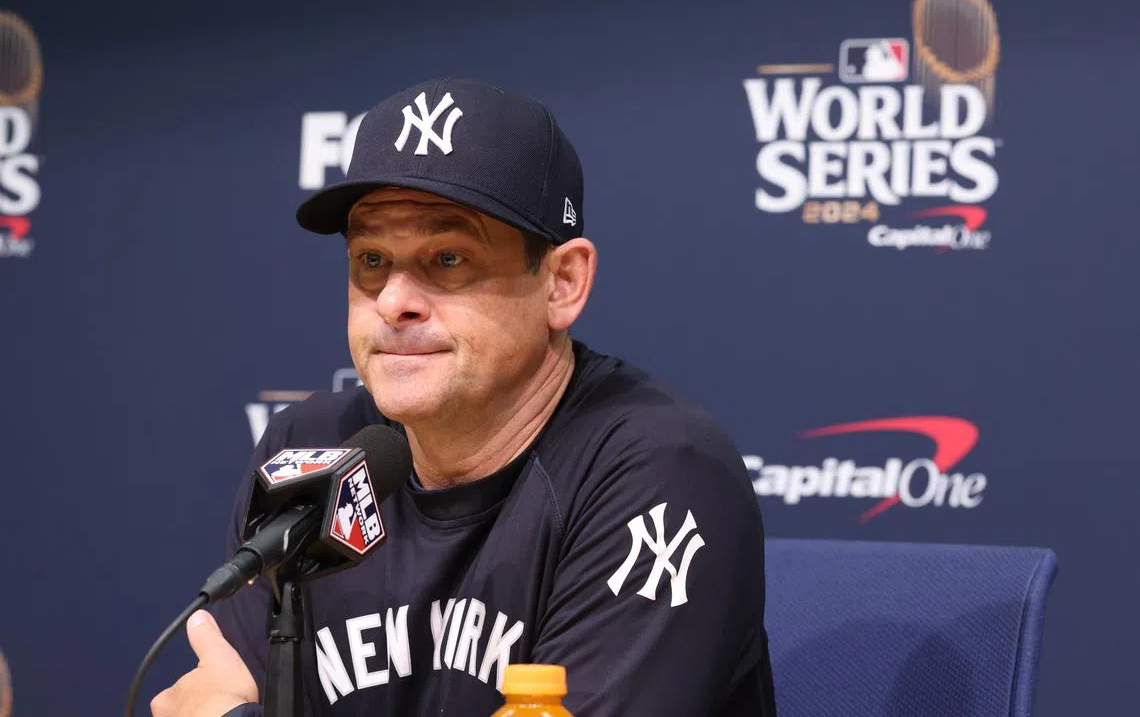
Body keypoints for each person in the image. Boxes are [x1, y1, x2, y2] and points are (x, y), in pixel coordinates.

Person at [150, 77, 778, 717]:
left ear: (562, 283)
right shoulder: (310, 449)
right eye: (371, 260)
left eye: (448, 258)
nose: (393, 302)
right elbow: (218, 687)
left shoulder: (656, 472)